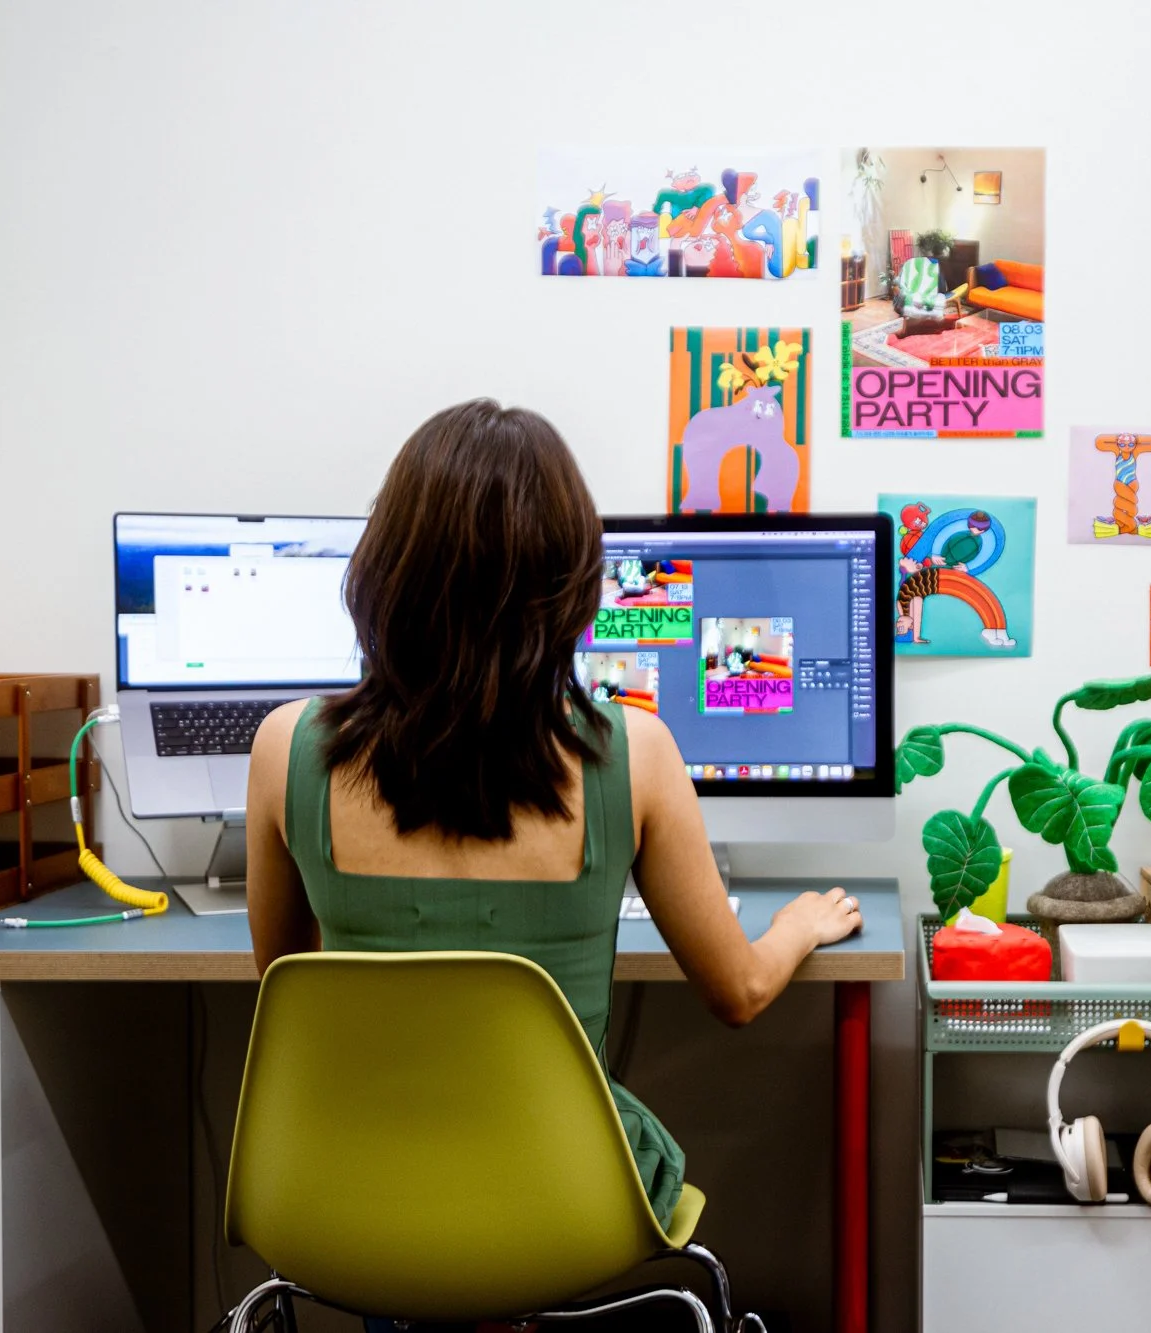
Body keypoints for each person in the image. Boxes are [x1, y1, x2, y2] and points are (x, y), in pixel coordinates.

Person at [245, 399, 863, 1333]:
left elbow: (284, 979)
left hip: (354, 1187)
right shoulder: (633, 754)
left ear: (387, 571)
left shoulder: (286, 749)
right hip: (561, 1200)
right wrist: (794, 926)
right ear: (568, 583)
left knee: (404, 1227)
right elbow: (735, 992)